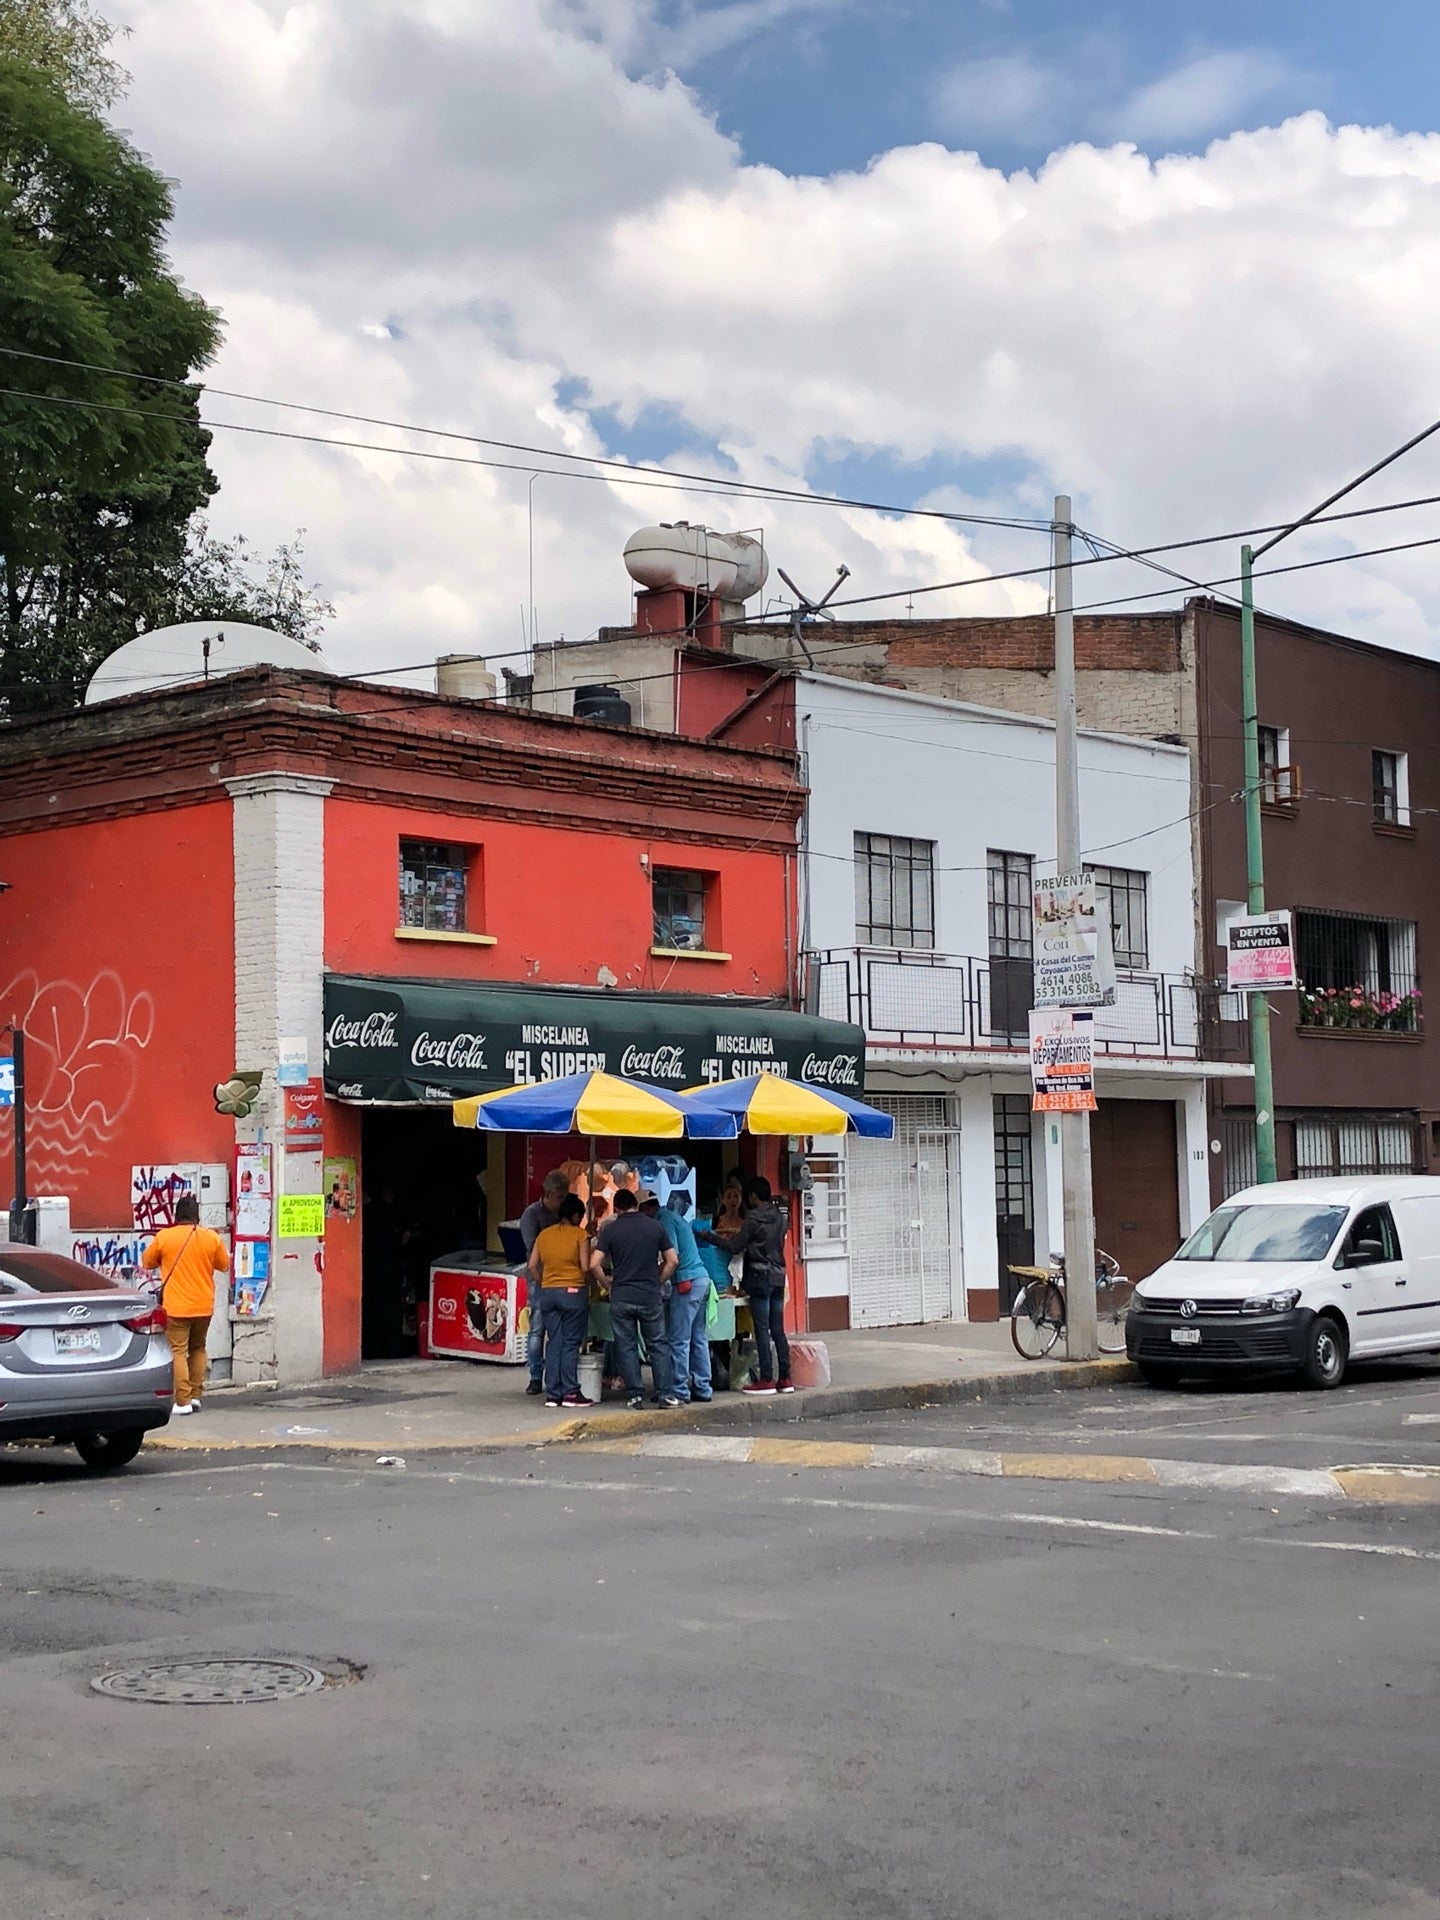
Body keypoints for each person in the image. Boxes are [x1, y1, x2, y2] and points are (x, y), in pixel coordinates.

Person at [141, 1195, 231, 1416]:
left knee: (179, 1351)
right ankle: (196, 1396)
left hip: (176, 1307)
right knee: (198, 1348)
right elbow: (224, 1265)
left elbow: (147, 1261)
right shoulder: (212, 1238)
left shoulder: (165, 1237)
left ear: (176, 1215)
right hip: (204, 1306)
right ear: (197, 1215)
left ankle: (183, 1401)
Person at [591, 1187, 677, 1410]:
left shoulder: (611, 1230)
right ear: (636, 1205)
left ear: (617, 1208)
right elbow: (672, 1261)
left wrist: (606, 1283)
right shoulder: (655, 1226)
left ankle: (635, 1395)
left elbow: (593, 1264)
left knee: (626, 1346)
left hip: (621, 1296)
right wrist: (658, 1281)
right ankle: (665, 1394)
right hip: (649, 1296)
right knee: (658, 1345)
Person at [716, 1174, 793, 1396]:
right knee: (778, 1330)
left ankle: (767, 1379)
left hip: (759, 1278)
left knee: (761, 1329)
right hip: (779, 1275)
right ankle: (785, 1378)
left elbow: (735, 1247)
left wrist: (711, 1237)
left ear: (751, 1197)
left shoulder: (752, 1219)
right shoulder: (779, 1217)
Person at [646, 1191, 712, 1404]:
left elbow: (672, 1258)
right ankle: (703, 1387)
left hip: (687, 1282)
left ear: (646, 1208)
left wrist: (657, 1280)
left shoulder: (663, 1220)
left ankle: (679, 1390)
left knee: (678, 1339)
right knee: (698, 1338)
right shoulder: (674, 1217)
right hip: (701, 1279)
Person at [528, 1195, 593, 1409]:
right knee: (570, 1343)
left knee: (554, 1341)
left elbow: (531, 1266)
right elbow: (585, 1267)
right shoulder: (580, 1235)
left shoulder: (543, 1235)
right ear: (575, 1216)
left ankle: (553, 1394)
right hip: (573, 1293)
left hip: (547, 1293)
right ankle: (571, 1392)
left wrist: (544, 1282)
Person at [518, 1170, 570, 1395]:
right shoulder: (531, 1215)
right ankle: (535, 1376)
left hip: (561, 1276)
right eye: (560, 1197)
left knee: (558, 1330)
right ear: (548, 1194)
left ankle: (555, 1375)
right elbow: (532, 1249)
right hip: (539, 1277)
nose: (562, 1202)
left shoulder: (563, 1213)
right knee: (537, 1329)